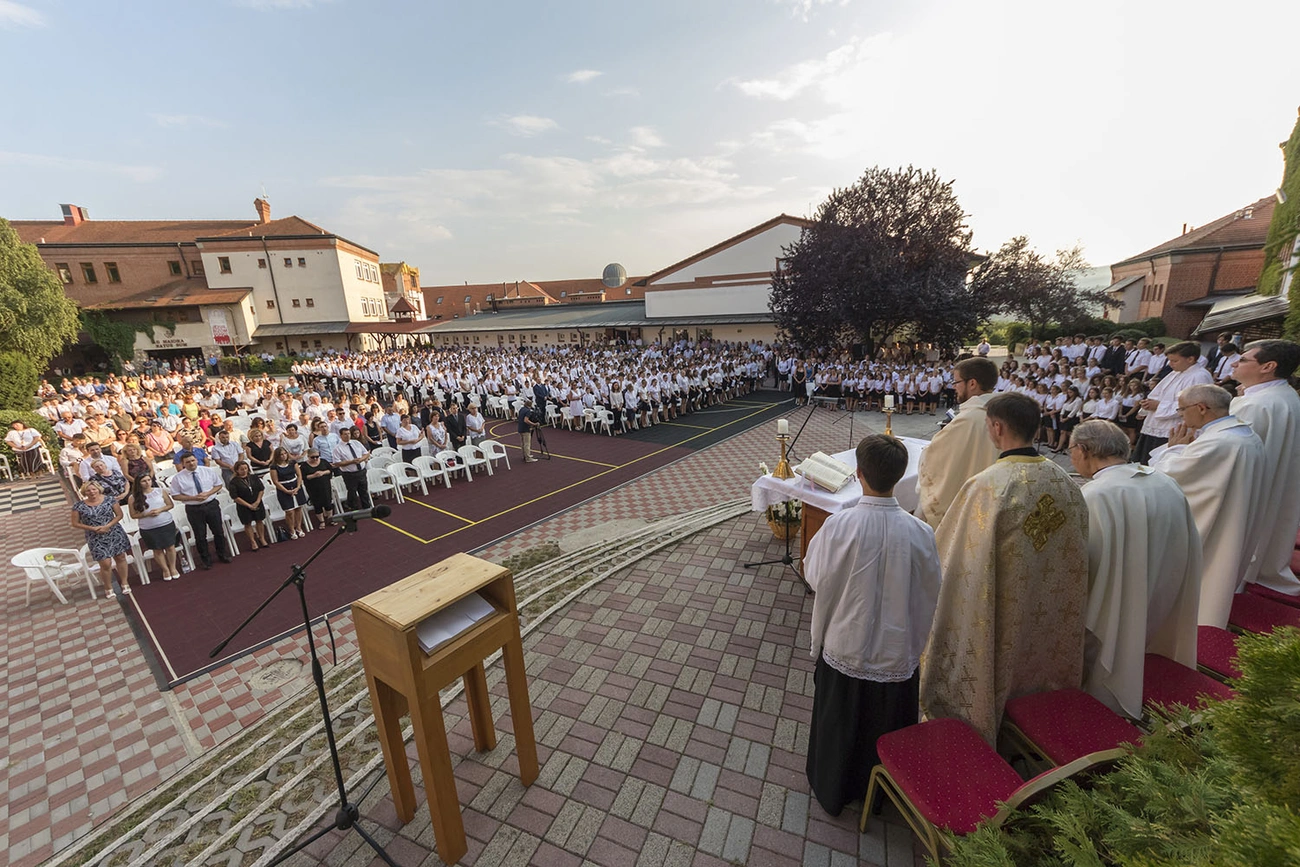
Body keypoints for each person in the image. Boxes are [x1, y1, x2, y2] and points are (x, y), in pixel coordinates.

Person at [919, 392, 1089, 744]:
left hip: (999, 605)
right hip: (1044, 610)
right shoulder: (1065, 483)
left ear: (996, 427)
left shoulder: (989, 486)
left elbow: (954, 555)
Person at [804, 435, 941, 816]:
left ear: (859, 474)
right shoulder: (920, 532)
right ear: (899, 478)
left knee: (840, 723)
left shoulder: (839, 526)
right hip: (895, 651)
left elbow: (815, 576)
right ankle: (882, 792)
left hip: (845, 643)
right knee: (884, 728)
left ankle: (833, 786)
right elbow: (931, 588)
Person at [1069, 420, 1201, 718]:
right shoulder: (1163, 481)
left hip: (1116, 606)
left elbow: (1082, 567)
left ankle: (1100, 715)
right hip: (1159, 597)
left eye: (1071, 451)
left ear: (1084, 449)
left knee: (1108, 655)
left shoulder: (1097, 494)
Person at [1150, 383, 1267, 628]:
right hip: (1231, 519)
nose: (1180, 416)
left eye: (1181, 410)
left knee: (1206, 576)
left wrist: (1175, 450)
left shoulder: (1219, 443)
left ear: (1201, 408)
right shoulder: (1243, 434)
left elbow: (1168, 478)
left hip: (1216, 526)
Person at [1230, 340, 1300, 597]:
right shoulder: (1284, 394)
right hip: (1273, 484)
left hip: (1248, 492)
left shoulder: (1256, 405)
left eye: (1244, 359)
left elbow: (1231, 456)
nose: (1235, 363)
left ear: (1268, 366)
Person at [915, 357, 1001, 529]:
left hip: (965, 509)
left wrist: (927, 450)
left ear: (972, 383)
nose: (954, 387)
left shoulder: (968, 420)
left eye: (956, 381)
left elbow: (935, 459)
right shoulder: (1002, 412)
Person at [1133, 341, 1213, 464]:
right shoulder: (1174, 373)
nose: (1170, 364)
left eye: (1174, 361)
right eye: (1169, 360)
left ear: (1190, 359)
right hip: (1155, 424)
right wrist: (1147, 404)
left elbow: (1193, 405)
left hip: (1174, 429)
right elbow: (1156, 393)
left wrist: (1159, 406)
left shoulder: (1199, 376)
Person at [168, 450, 232, 569]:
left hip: (211, 505)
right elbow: (175, 495)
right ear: (183, 464)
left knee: (218, 531)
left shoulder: (207, 471)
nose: (191, 463)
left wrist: (208, 493)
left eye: (193, 460)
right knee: (200, 535)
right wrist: (192, 497)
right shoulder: (178, 478)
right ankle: (205, 559)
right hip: (194, 508)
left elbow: (218, 485)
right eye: (188, 462)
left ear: (197, 460)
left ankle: (222, 554)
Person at [71, 480, 133, 598]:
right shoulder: (79, 506)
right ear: (85, 492)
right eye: (88, 490)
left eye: (94, 489)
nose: (92, 492)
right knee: (105, 563)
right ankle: (108, 587)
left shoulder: (110, 500)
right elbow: (75, 523)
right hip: (95, 536)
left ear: (98, 489)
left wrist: (107, 526)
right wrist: (92, 528)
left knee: (120, 557)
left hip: (113, 532)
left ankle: (124, 582)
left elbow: (119, 515)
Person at [129, 475, 182, 581]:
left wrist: (160, 510)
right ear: (139, 483)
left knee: (170, 547)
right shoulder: (133, 497)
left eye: (148, 480)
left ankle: (172, 567)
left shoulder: (160, 491)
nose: (147, 483)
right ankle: (165, 569)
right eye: (144, 481)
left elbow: (170, 505)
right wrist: (146, 514)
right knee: (157, 549)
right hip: (148, 527)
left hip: (165, 523)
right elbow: (133, 515)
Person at [229, 460, 270, 551]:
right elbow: (235, 497)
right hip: (243, 505)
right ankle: (253, 541)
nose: (244, 471)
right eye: (241, 469)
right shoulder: (234, 482)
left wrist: (257, 501)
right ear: (237, 470)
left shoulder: (253, 477)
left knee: (259, 520)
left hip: (257, 502)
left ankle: (262, 538)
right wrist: (248, 505)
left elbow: (261, 489)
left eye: (245, 468)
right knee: (248, 523)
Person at [270, 447, 308, 539]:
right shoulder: (274, 467)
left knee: (298, 508)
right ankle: (292, 529)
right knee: (289, 511)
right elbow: (275, 481)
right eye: (281, 454)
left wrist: (298, 487)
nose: (283, 456)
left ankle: (298, 527)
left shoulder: (292, 463)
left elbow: (299, 475)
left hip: (295, 486)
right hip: (284, 488)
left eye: (284, 454)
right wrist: (286, 491)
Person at [333, 426, 371, 511]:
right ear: (341, 436)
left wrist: (361, 460)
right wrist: (351, 462)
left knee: (363, 490)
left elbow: (366, 453)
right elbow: (337, 462)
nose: (348, 436)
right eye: (345, 434)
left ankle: (367, 507)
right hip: (349, 474)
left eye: (349, 434)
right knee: (352, 492)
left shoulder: (356, 443)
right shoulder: (338, 448)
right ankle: (354, 508)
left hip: (361, 471)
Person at [301, 449, 335, 529]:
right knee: (317, 504)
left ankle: (330, 518)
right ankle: (322, 521)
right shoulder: (304, 466)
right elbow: (304, 477)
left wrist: (322, 473)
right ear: (308, 457)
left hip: (325, 486)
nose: (315, 459)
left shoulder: (323, 461)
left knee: (328, 502)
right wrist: (314, 475)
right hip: (313, 488)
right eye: (313, 457)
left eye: (317, 456)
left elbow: (329, 470)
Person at [517, 396, 541, 462]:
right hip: (525, 428)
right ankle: (528, 458)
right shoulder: (528, 411)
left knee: (523, 443)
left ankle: (525, 455)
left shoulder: (522, 409)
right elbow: (526, 420)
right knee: (527, 443)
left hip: (520, 427)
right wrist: (534, 424)